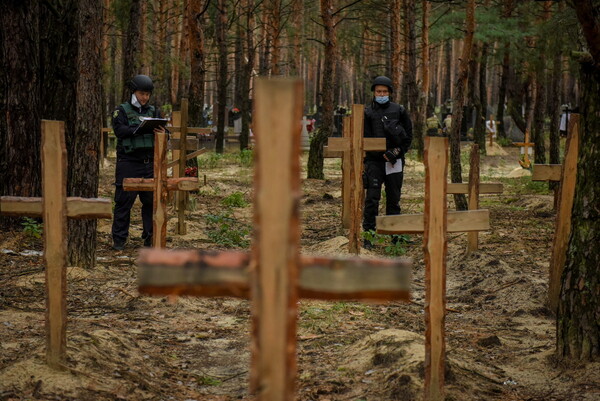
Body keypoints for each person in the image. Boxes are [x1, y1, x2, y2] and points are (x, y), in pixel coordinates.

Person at [111, 74, 165, 250]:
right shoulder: (121, 111)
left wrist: (162, 132)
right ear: (134, 92)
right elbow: (120, 131)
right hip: (128, 162)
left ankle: (150, 237)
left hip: (149, 163)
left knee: (150, 201)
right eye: (142, 93)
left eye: (148, 94)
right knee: (123, 202)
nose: (145, 98)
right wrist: (140, 130)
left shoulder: (154, 112)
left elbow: (166, 133)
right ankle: (119, 240)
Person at [362, 76, 413, 249]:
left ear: (390, 92)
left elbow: (408, 138)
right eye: (378, 91)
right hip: (374, 162)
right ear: (374, 93)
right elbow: (364, 139)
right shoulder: (367, 112)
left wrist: (396, 152)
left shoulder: (399, 110)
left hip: (394, 162)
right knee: (371, 199)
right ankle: (369, 236)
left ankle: (395, 236)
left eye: (384, 91)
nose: (381, 94)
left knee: (394, 199)